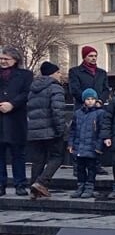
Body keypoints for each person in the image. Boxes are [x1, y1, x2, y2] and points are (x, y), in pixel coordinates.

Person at [26, 61, 65, 198]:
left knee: (38, 160)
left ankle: (33, 189)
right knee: (57, 157)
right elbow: (58, 111)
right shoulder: (55, 88)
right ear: (53, 73)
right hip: (50, 130)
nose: (60, 75)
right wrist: (61, 130)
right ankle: (41, 183)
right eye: (58, 72)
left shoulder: (33, 89)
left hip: (34, 131)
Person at [0, 47, 32, 196]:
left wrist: (12, 104)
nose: (3, 61)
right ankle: (1, 185)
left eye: (6, 59)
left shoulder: (25, 75)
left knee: (18, 154)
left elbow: (26, 93)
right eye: (1, 58)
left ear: (15, 59)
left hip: (16, 120)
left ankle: (20, 184)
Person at [68, 89, 104, 198]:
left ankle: (89, 187)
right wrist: (71, 144)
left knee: (92, 168)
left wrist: (99, 146)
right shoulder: (78, 113)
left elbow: (102, 131)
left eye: (92, 99)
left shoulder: (100, 113)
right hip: (79, 146)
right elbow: (72, 130)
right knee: (80, 168)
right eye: (88, 99)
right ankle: (80, 186)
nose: (90, 101)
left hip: (92, 147)